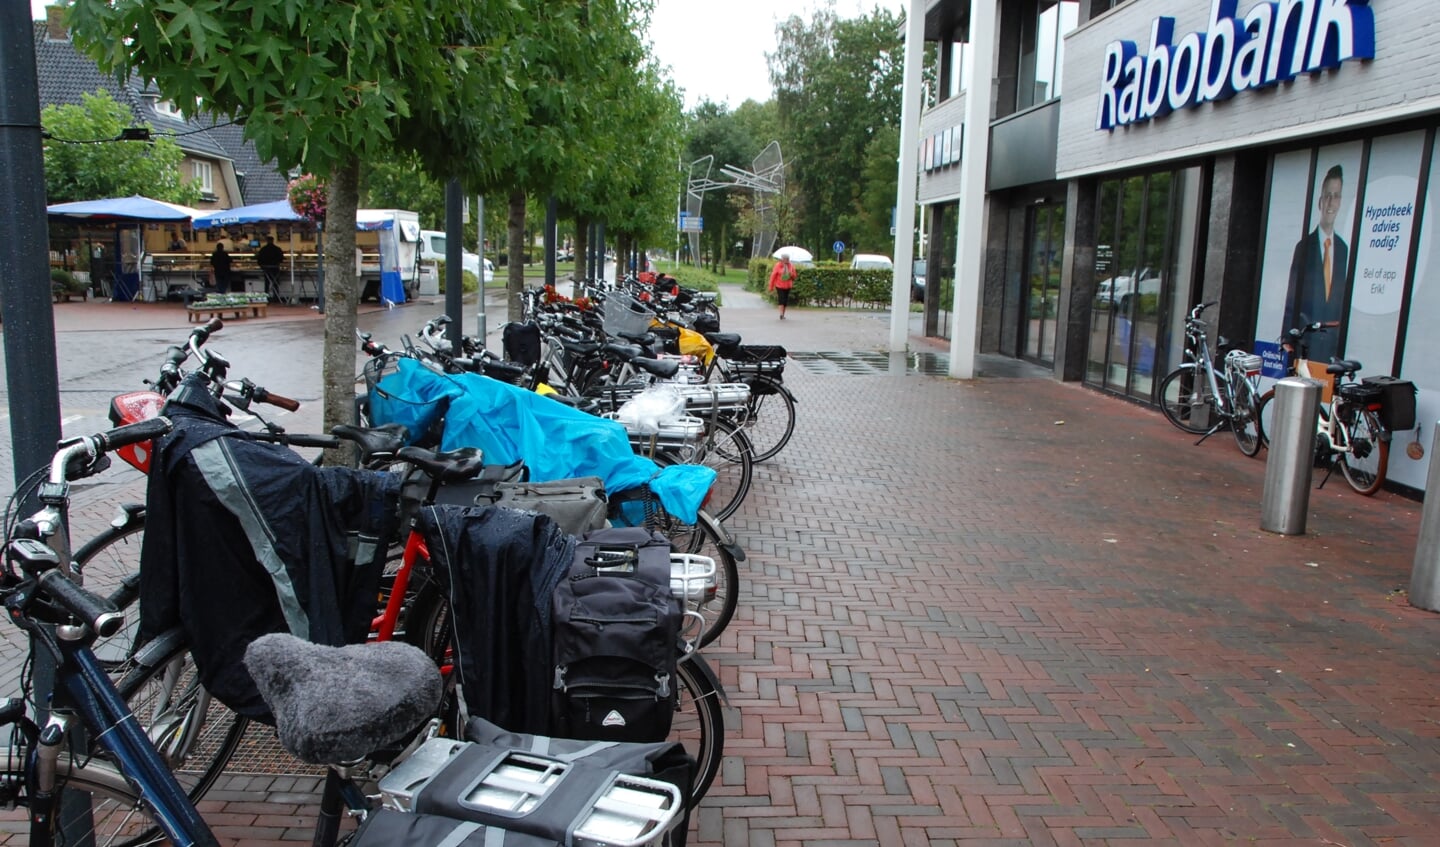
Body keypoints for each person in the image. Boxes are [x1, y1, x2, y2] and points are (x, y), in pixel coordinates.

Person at [1281, 164, 1350, 364]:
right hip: (1306, 344)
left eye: (1336, 196)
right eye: (1327, 195)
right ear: (1320, 201)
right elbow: (1292, 297)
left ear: (1340, 202)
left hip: (1331, 347)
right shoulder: (1304, 247)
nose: (1331, 202)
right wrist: (1287, 337)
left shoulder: (1344, 250)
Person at [768, 255, 796, 319]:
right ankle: (781, 314)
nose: (787, 261)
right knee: (781, 299)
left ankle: (783, 314)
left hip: (788, 286)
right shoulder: (778, 265)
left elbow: (794, 277)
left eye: (788, 259)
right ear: (782, 259)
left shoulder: (791, 266)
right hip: (779, 285)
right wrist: (771, 286)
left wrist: (791, 274)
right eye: (785, 259)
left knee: (785, 301)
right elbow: (773, 276)